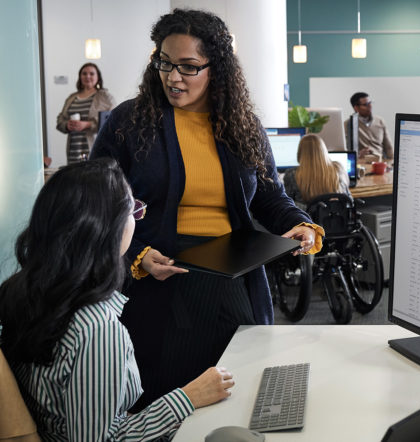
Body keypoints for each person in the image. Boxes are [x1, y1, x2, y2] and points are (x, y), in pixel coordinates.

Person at [91, 9, 323, 411]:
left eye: (188, 67)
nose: (173, 77)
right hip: (158, 279)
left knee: (239, 393)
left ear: (217, 68)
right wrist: (138, 256)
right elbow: (95, 205)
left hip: (233, 278)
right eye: (164, 63)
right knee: (166, 397)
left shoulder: (241, 123)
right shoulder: (128, 122)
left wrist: (301, 224)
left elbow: (269, 196)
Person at [0, 159, 234, 440]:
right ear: (106, 229)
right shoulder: (96, 328)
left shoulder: (21, 290)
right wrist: (189, 397)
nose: (136, 218)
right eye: (132, 209)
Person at [56, 63, 115, 164]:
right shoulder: (72, 98)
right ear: (80, 77)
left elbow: (113, 120)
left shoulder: (105, 96)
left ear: (98, 77)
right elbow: (60, 120)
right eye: (84, 73)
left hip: (94, 148)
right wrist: (67, 125)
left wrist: (88, 124)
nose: (88, 76)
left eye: (92, 74)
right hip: (73, 151)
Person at [283, 134, 351, 208]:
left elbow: (287, 204)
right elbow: (349, 200)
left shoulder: (292, 174)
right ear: (324, 150)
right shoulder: (339, 169)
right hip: (336, 217)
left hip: (307, 218)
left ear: (300, 153)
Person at [343, 92, 394, 161]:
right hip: (362, 162)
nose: (370, 106)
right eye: (366, 104)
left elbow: (389, 147)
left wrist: (392, 162)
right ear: (356, 108)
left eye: (370, 103)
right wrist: (358, 155)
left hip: (380, 162)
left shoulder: (380, 121)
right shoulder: (348, 124)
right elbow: (345, 150)